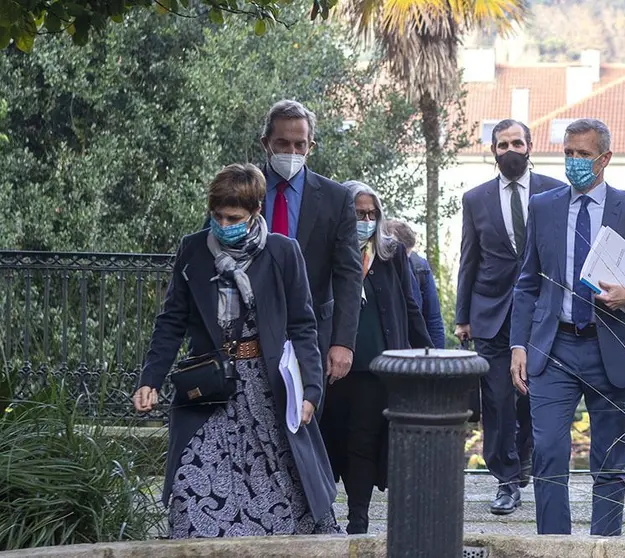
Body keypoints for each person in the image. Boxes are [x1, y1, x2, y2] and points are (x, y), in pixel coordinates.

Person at [133, 163, 341, 538]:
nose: (223, 223)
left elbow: (303, 326)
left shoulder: (283, 253)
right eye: (217, 215)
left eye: (233, 217)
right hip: (209, 386)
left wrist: (311, 388)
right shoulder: (193, 250)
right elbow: (171, 321)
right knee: (190, 485)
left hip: (268, 390)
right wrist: (151, 378)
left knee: (283, 488)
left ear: (256, 211)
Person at [509, 118, 625, 536]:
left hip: (614, 349)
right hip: (554, 349)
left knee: (610, 460)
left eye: (583, 154)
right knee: (547, 454)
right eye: (568, 153)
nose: (574, 162)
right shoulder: (543, 206)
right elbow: (527, 282)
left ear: (605, 158)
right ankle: (554, 546)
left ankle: (604, 545)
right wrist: (518, 346)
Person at [205, 100, 363, 410]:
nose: (291, 151)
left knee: (301, 426)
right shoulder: (240, 189)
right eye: (282, 143)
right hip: (243, 334)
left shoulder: (336, 198)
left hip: (310, 333)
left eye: (299, 144)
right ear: (266, 143)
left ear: (310, 146)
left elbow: (348, 274)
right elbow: (210, 248)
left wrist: (343, 342)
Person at [455, 119, 565, 515]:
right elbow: (469, 258)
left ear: (530, 146)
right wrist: (462, 315)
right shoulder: (476, 198)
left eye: (517, 143)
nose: (510, 150)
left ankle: (524, 461)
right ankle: (505, 479)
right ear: (493, 152)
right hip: (492, 313)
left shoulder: (556, 191)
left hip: (543, 313)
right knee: (497, 400)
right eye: (502, 145)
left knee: (530, 397)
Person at [320, 181, 433, 535]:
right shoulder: (326, 250)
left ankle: (358, 519)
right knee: (329, 439)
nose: (366, 220)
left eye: (372, 214)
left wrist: (424, 354)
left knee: (364, 442)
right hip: (332, 365)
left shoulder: (391, 252)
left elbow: (410, 306)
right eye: (358, 214)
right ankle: (323, 514)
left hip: (377, 368)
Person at [386, 219, 446, 350]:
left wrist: (437, 359)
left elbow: (433, 320)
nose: (403, 262)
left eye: (406, 256)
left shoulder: (420, 268)